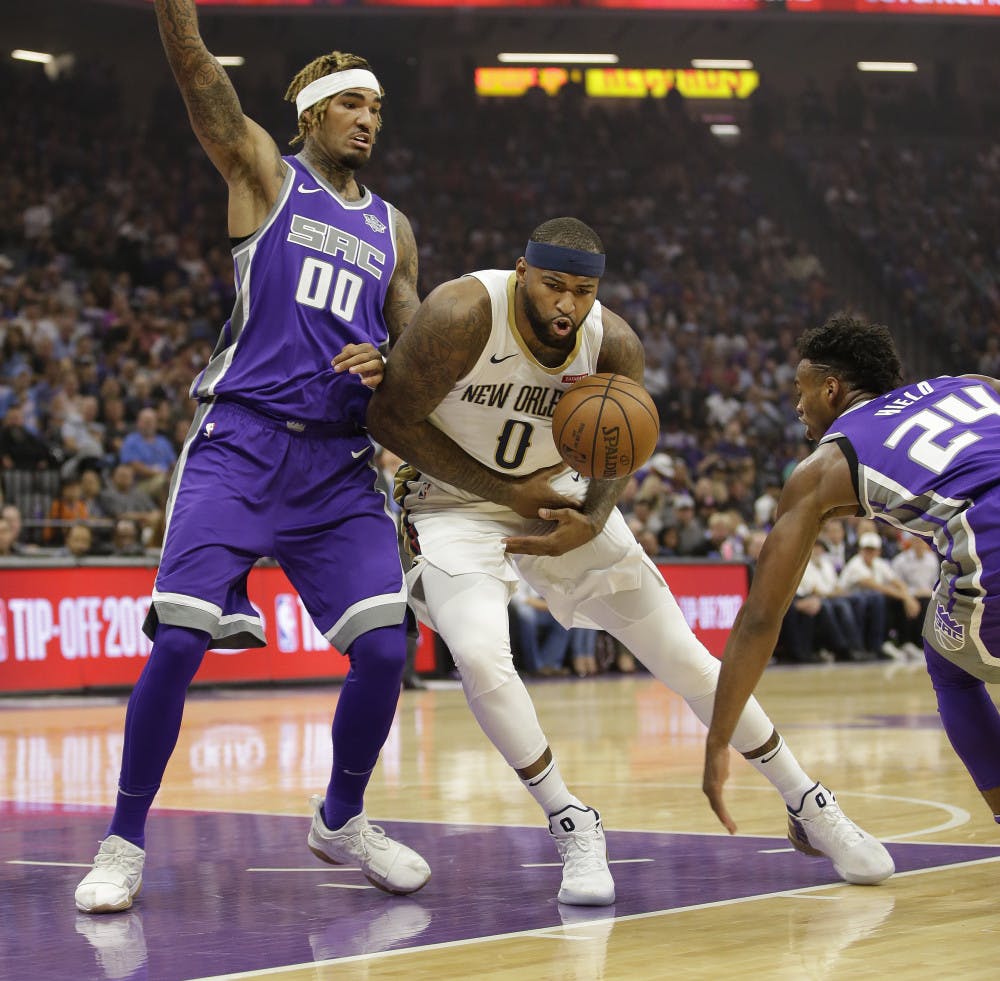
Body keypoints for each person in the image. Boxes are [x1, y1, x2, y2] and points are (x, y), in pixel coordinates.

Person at [367, 219, 893, 906]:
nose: (566, 305)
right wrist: (505, 492)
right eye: (553, 285)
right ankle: (571, 818)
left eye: (582, 291)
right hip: (453, 505)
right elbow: (389, 419)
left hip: (559, 496)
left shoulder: (612, 342)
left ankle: (808, 802)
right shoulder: (464, 312)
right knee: (480, 655)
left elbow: (618, 453)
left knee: (684, 656)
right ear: (521, 272)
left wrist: (590, 512)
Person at [75, 0, 429, 914]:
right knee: (180, 640)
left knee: (388, 648)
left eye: (378, 108)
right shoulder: (266, 174)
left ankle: (341, 818)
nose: (369, 119)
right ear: (313, 112)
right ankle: (122, 840)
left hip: (339, 468)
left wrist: (391, 363)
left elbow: (417, 360)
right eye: (353, 104)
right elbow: (199, 75)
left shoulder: (395, 230)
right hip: (241, 443)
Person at [703, 313, 1000, 835]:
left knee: (946, 658)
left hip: (992, 543)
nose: (797, 406)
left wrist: (718, 740)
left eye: (802, 390)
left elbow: (760, 617)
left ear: (832, 389)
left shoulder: (823, 468)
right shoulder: (970, 385)